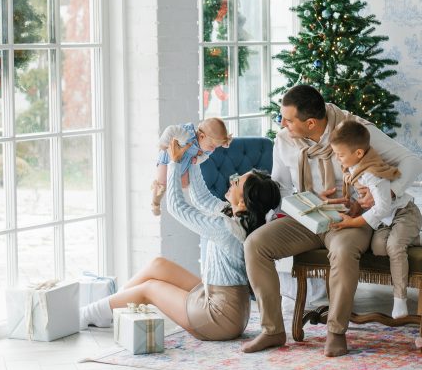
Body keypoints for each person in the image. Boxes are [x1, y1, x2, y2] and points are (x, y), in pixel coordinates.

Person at [240, 85, 422, 357]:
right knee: (255, 244)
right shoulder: (284, 140)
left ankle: (336, 331)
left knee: (343, 250)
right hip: (308, 216)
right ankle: (272, 330)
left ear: (310, 123)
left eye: (288, 119)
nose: (282, 124)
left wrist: (389, 193)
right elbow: (282, 188)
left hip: (348, 217)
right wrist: (310, 197)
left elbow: (412, 161)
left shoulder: (354, 131)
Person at [81, 139, 281, 341]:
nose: (232, 180)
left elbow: (177, 208)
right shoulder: (237, 217)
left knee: (149, 288)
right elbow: (201, 198)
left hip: (218, 318)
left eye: (237, 182)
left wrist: (174, 164)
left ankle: (88, 314)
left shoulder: (226, 228)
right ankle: (110, 307)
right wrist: (194, 161)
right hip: (225, 305)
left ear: (242, 201)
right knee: (158, 265)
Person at [329, 120, 422, 319]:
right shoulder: (354, 169)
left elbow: (382, 206)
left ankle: (400, 299)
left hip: (404, 213)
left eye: (340, 155)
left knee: (395, 246)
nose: (338, 159)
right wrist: (353, 205)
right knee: (379, 248)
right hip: (385, 219)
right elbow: (369, 203)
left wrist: (354, 222)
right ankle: (419, 239)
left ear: (358, 154)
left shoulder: (373, 174)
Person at [150, 118, 232, 215]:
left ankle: (172, 183)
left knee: (185, 183)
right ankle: (155, 203)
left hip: (183, 164)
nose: (213, 149)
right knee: (162, 183)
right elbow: (170, 130)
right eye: (212, 146)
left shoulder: (208, 144)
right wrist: (163, 144)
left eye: (215, 147)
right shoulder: (186, 135)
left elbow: (205, 156)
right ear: (201, 136)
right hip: (168, 160)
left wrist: (198, 160)